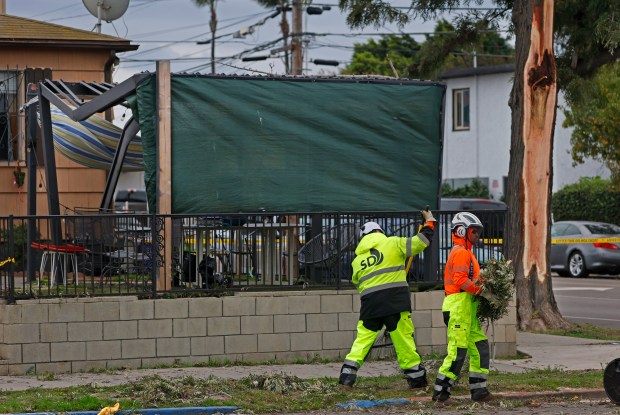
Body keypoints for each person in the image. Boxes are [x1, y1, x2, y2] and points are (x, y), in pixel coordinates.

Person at [338, 209, 437, 389]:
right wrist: (429, 222)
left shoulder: (357, 260)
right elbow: (420, 242)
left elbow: (358, 283)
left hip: (370, 305)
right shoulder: (393, 243)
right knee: (404, 341)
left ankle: (346, 377)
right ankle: (417, 381)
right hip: (395, 303)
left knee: (362, 341)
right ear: (379, 232)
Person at [432, 211, 493, 403]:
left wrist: (488, 284)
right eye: (474, 232)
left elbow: (473, 279)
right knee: (457, 352)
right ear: (461, 231)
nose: (477, 236)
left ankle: (479, 391)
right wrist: (481, 291)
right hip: (458, 307)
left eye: (478, 232)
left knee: (480, 347)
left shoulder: (468, 253)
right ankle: (441, 394)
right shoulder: (460, 252)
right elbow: (460, 280)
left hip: (467, 309)